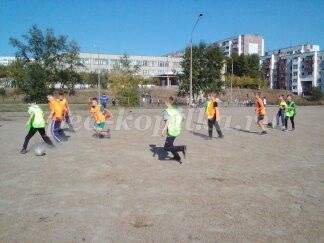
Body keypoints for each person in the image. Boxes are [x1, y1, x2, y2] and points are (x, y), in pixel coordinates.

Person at [161, 96, 186, 163]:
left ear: (166, 102)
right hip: (177, 130)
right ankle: (176, 157)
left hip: (171, 131)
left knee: (166, 147)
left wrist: (164, 130)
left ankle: (182, 148)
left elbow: (167, 121)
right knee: (170, 145)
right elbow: (183, 118)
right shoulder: (176, 110)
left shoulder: (166, 111)